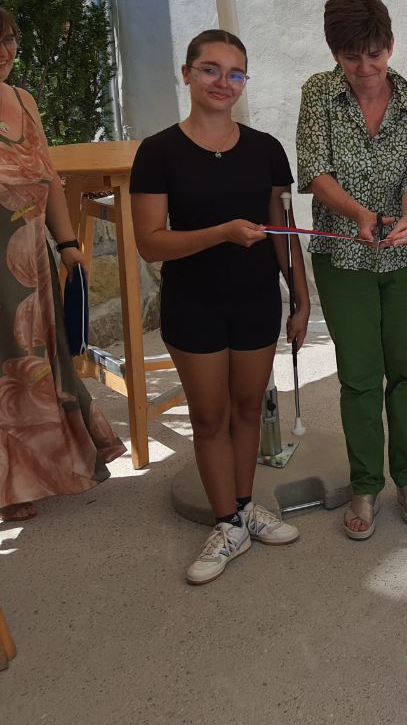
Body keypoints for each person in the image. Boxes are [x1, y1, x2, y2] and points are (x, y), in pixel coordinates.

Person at [132, 29, 307, 584]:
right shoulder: (158, 152)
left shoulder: (265, 149)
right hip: (194, 303)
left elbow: (283, 233)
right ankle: (226, 521)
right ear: (187, 74)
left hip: (256, 300)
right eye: (210, 69)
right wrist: (222, 234)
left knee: (249, 409)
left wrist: (301, 300)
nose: (222, 82)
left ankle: (245, 504)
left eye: (235, 73)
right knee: (209, 417)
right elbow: (151, 242)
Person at [296, 0, 407, 541]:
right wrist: (358, 213)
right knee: (359, 376)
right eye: (351, 57)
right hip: (343, 253)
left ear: (391, 45)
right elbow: (313, 170)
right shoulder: (318, 95)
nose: (365, 69)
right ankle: (365, 485)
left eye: (375, 54)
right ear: (335, 53)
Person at [0, 6, 125, 522]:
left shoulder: (24, 100)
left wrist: (69, 243)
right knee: (7, 366)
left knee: (39, 364)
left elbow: (48, 177)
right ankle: (11, 482)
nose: (4, 52)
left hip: (30, 254)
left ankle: (40, 467)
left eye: (9, 39)